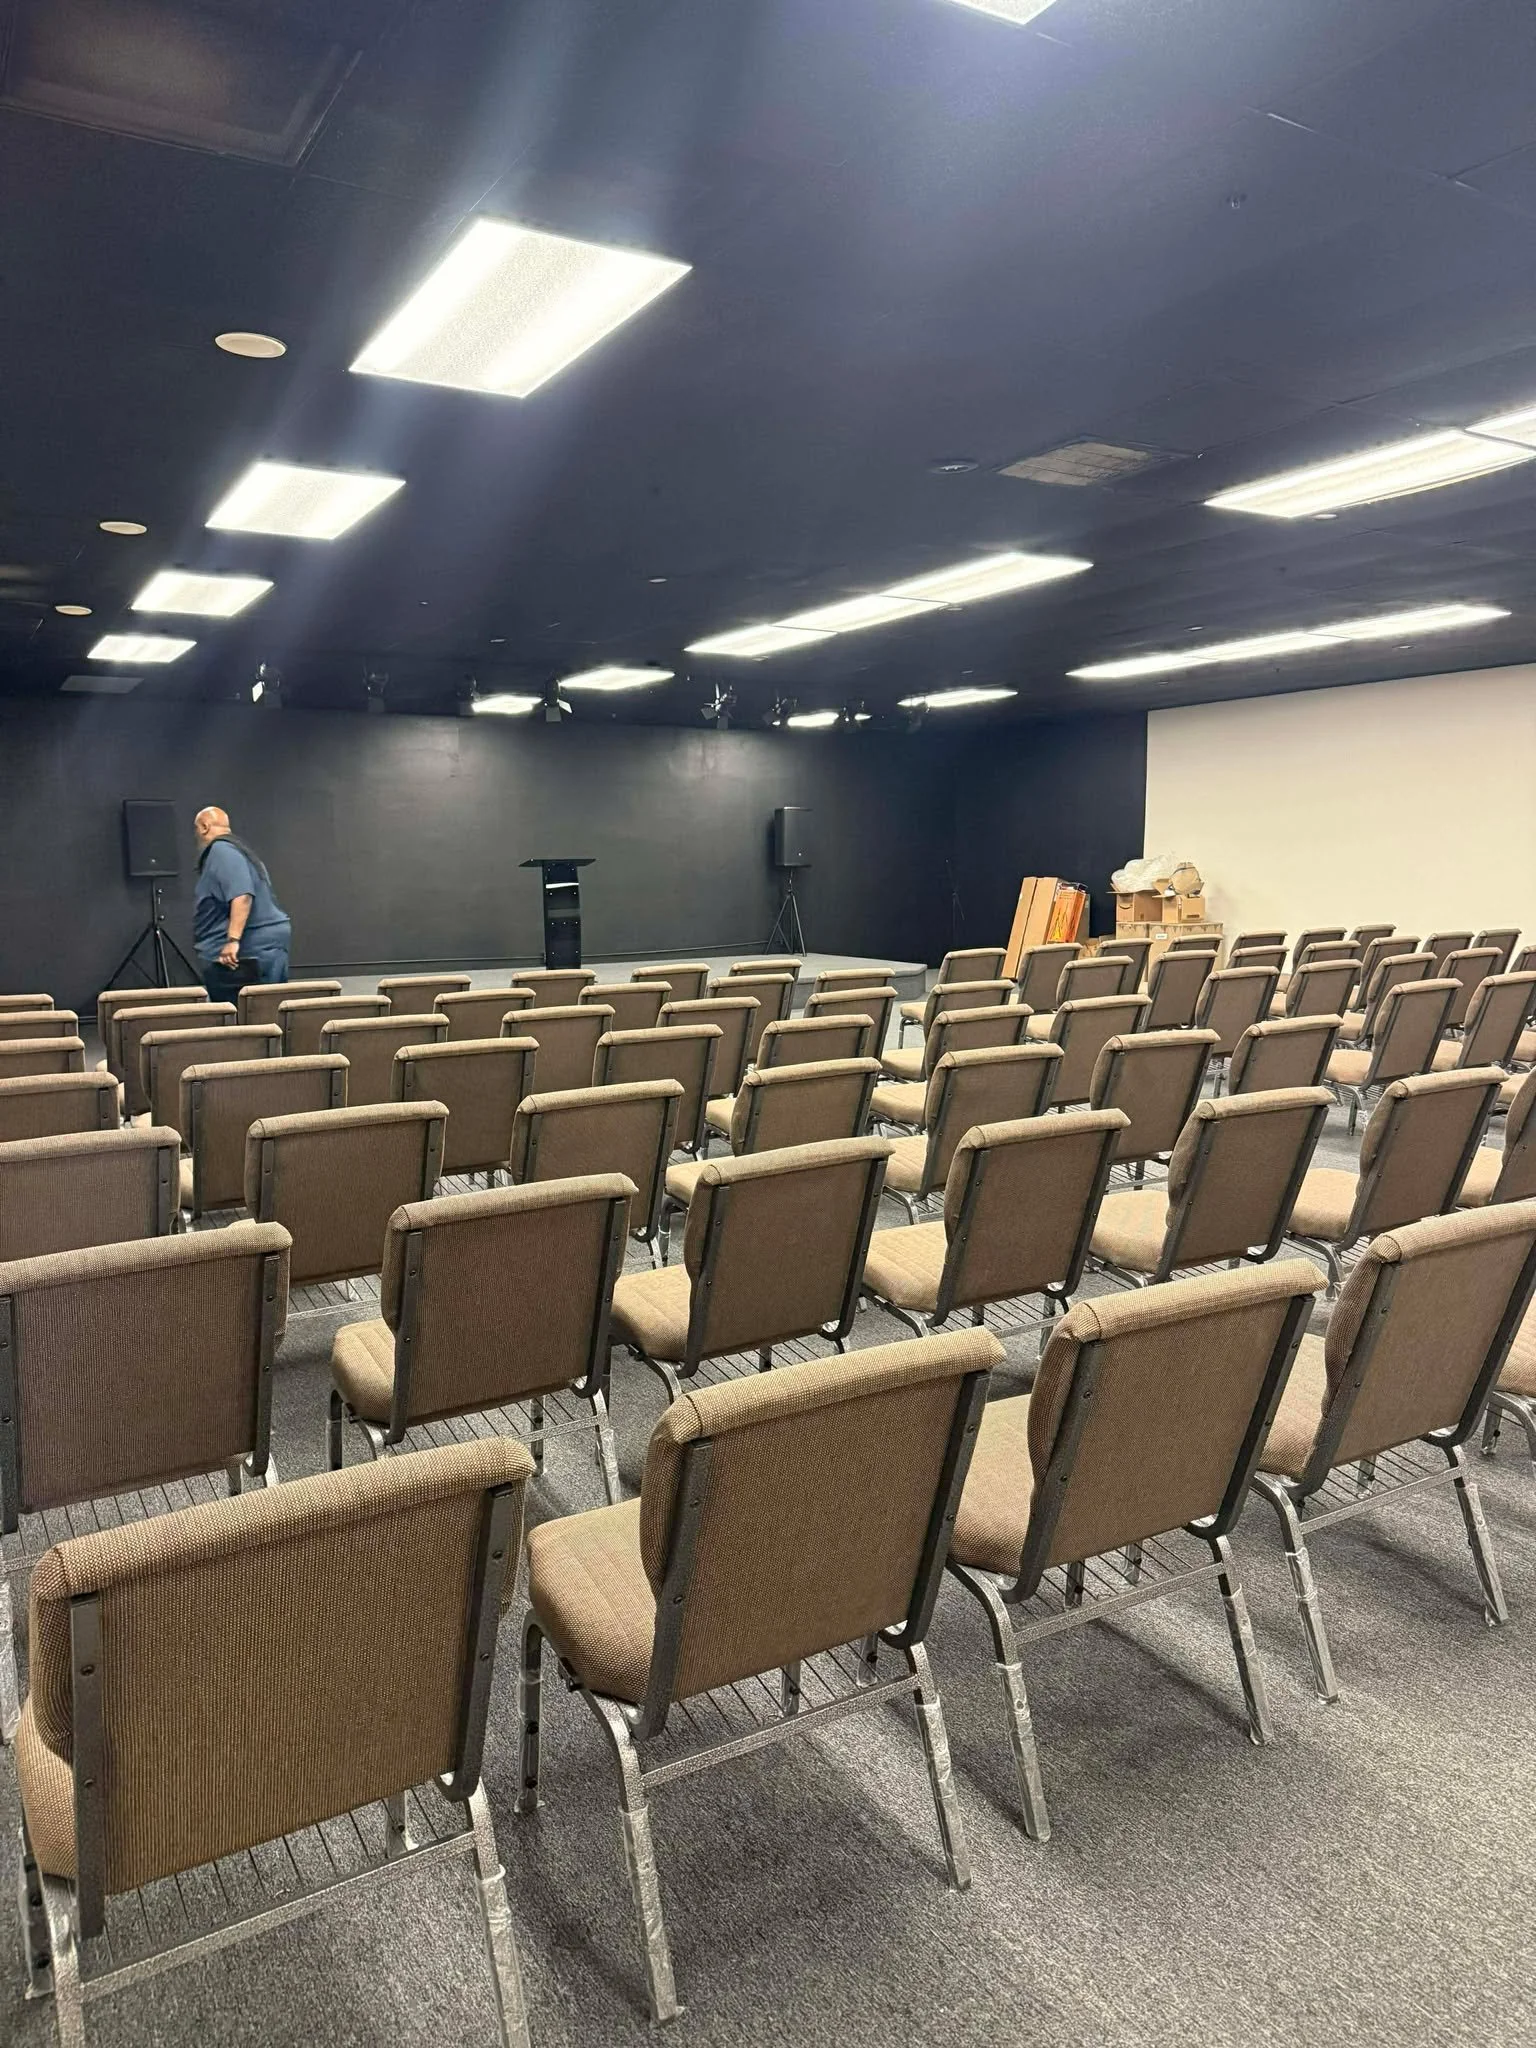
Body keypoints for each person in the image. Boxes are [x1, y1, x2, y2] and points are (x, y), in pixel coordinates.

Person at [192, 806, 293, 999]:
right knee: (267, 1007)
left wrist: (232, 940)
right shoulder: (238, 850)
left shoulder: (221, 851)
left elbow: (242, 895)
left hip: (248, 952)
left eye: (196, 829)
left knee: (249, 1011)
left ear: (204, 827)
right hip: (263, 946)